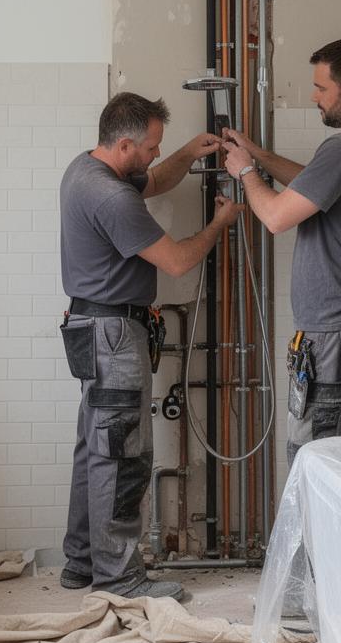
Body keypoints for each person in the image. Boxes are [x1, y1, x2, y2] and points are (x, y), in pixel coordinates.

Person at [59, 92, 241, 600]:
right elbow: (179, 260)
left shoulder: (86, 169)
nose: (157, 154)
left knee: (94, 449)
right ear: (123, 145)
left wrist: (188, 152)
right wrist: (219, 225)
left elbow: (156, 179)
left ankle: (80, 564)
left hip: (90, 326)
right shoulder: (113, 198)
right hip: (114, 336)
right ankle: (120, 577)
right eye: (153, 146)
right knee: (122, 455)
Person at [223, 38, 341, 467]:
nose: (313, 96)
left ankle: (321, 538)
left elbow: (276, 217)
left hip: (334, 335)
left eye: (322, 88)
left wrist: (244, 171)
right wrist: (260, 156)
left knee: (320, 463)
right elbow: (315, 184)